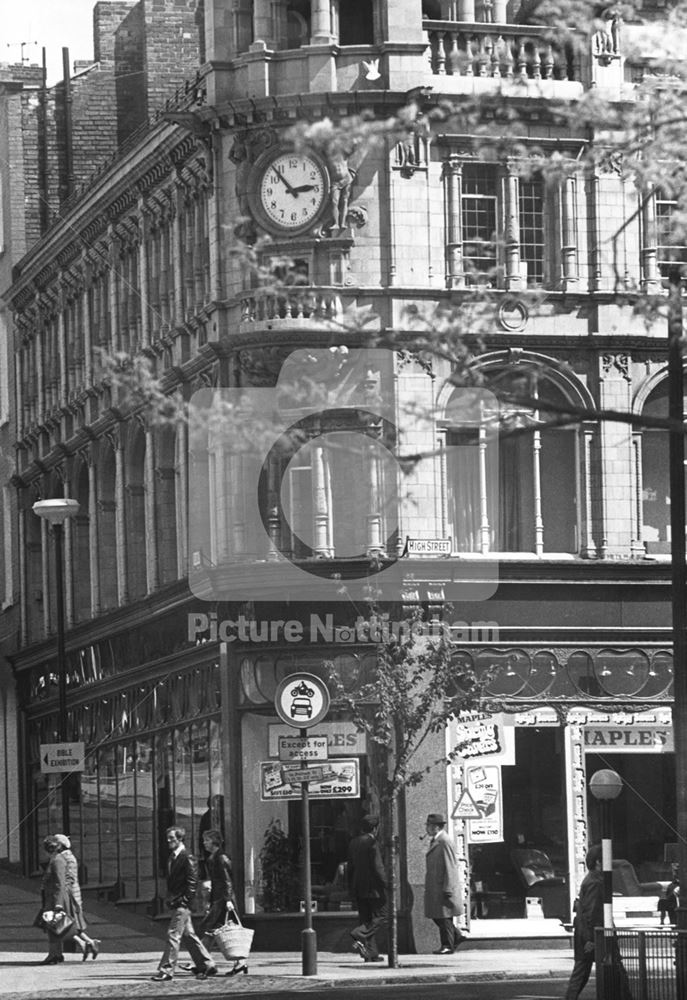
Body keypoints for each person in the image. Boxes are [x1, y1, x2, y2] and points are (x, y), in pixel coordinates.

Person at [565, 844, 632, 1000]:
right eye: (606, 860)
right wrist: (591, 939)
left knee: (582, 974)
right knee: (615, 971)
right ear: (598, 862)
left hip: (591, 934)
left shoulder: (592, 880)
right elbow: (592, 912)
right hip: (597, 935)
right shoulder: (595, 882)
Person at [152, 826, 217, 982]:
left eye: (172, 838)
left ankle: (167, 969)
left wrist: (184, 901)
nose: (168, 841)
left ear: (180, 839)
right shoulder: (172, 857)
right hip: (176, 901)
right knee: (188, 935)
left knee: (173, 934)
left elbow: (192, 882)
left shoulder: (187, 857)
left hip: (182, 903)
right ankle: (207, 964)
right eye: (167, 838)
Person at [39, 834, 100, 963]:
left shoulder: (59, 860)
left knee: (60, 925)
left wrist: (58, 904)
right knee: (56, 925)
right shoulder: (58, 859)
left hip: (59, 897)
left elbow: (61, 883)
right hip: (56, 897)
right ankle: (57, 953)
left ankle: (62, 952)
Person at [196, 829, 246, 977]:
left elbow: (226, 881)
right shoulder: (213, 857)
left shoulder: (221, 858)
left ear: (214, 841)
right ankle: (204, 962)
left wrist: (228, 900)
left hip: (223, 900)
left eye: (207, 840)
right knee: (211, 931)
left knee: (215, 930)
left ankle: (203, 963)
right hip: (219, 899)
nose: (204, 843)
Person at [347, 814, 387, 962]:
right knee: (382, 916)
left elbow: (350, 867)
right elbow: (378, 867)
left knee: (365, 918)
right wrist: (387, 883)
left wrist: (350, 887)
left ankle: (371, 953)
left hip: (359, 887)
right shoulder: (372, 843)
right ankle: (360, 933)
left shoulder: (353, 842)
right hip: (374, 888)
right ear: (375, 828)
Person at [424, 813, 465, 954]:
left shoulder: (444, 841)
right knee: (438, 916)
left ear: (436, 827)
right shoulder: (436, 840)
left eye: (428, 825)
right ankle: (457, 936)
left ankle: (448, 945)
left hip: (443, 886)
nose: (427, 828)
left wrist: (448, 887)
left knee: (444, 917)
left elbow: (450, 865)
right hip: (436, 886)